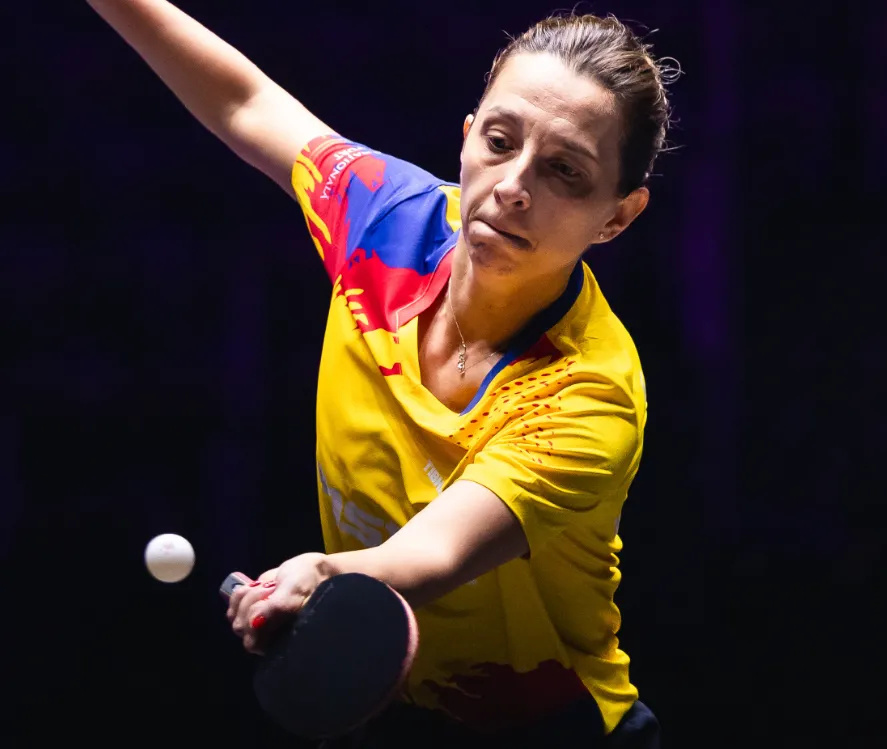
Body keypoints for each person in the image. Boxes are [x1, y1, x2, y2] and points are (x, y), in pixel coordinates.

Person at [87, 1, 676, 746]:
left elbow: (434, 553)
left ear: (617, 217)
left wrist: (325, 574)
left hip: (555, 730)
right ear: (467, 137)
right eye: (500, 142)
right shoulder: (386, 222)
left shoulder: (590, 391)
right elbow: (246, 103)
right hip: (390, 714)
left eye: (565, 171)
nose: (513, 185)